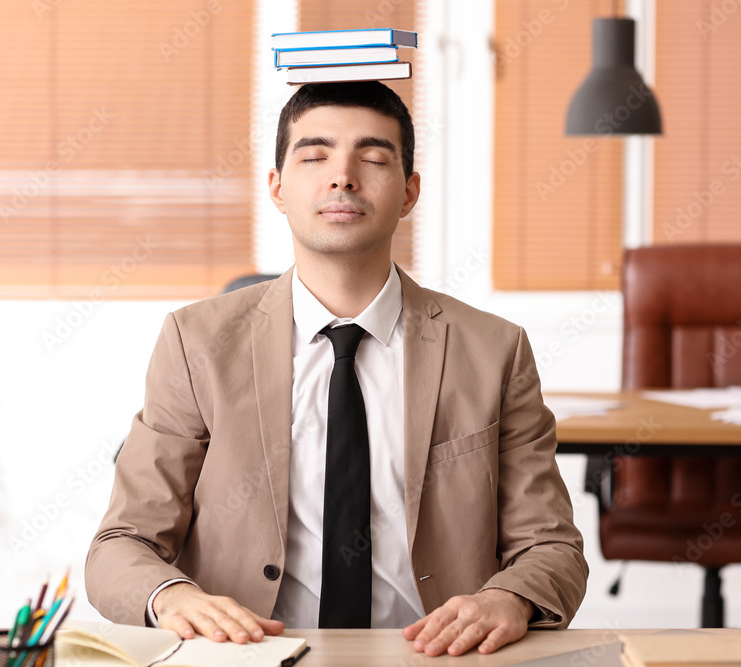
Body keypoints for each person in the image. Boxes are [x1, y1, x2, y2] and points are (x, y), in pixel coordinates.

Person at [85, 81, 587, 658]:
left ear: (409, 192)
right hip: (253, 655)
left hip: (435, 656)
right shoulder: (195, 341)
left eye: (373, 158)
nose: (343, 176)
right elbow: (121, 544)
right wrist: (171, 596)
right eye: (315, 156)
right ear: (276, 187)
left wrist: (511, 598)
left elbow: (551, 546)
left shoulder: (495, 349)